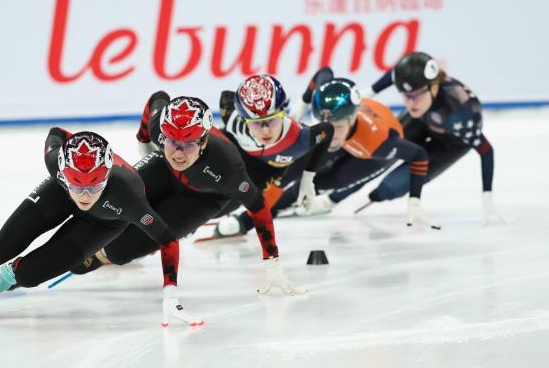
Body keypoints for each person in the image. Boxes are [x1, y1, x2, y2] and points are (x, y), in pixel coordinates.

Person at [0, 130, 199, 327]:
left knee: (32, 274)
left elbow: (167, 239)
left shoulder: (129, 193)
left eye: (95, 186)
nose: (86, 195)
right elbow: (56, 133)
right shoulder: (55, 163)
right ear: (62, 173)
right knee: (0, 247)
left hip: (107, 221)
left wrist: (170, 291)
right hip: (56, 196)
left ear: (107, 177)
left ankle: (12, 275)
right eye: (79, 186)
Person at [41, 93, 305, 297]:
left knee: (119, 250)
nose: (179, 152)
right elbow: (158, 98)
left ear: (202, 142)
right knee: (106, 203)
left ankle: (103, 256)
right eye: (171, 141)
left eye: (188, 144)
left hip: (202, 198)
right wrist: (145, 142)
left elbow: (259, 208)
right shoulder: (161, 130)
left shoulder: (229, 168)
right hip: (162, 168)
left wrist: (272, 264)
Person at [271, 69, 438, 228]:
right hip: (350, 135)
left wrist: (414, 200)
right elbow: (324, 72)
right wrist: (304, 101)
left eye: (336, 126)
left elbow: (419, 154)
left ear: (351, 120)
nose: (330, 131)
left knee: (316, 183)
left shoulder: (379, 144)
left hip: (371, 155)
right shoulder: (329, 106)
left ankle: (316, 203)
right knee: (291, 168)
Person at [358, 51, 508, 225]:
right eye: (406, 95)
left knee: (389, 188)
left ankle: (376, 194)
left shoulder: (460, 114)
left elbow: (486, 151)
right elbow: (396, 75)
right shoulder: (419, 85)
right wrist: (367, 93)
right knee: (380, 150)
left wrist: (487, 197)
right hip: (424, 118)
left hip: (451, 144)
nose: (411, 102)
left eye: (416, 95)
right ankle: (332, 198)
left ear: (434, 88)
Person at [208, 74, 334, 238]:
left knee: (218, 210)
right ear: (243, 119)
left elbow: (328, 131)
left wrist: (308, 177)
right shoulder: (233, 121)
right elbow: (226, 96)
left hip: (267, 170)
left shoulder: (300, 139)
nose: (266, 130)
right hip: (239, 151)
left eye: (272, 120)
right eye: (257, 123)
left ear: (282, 112)